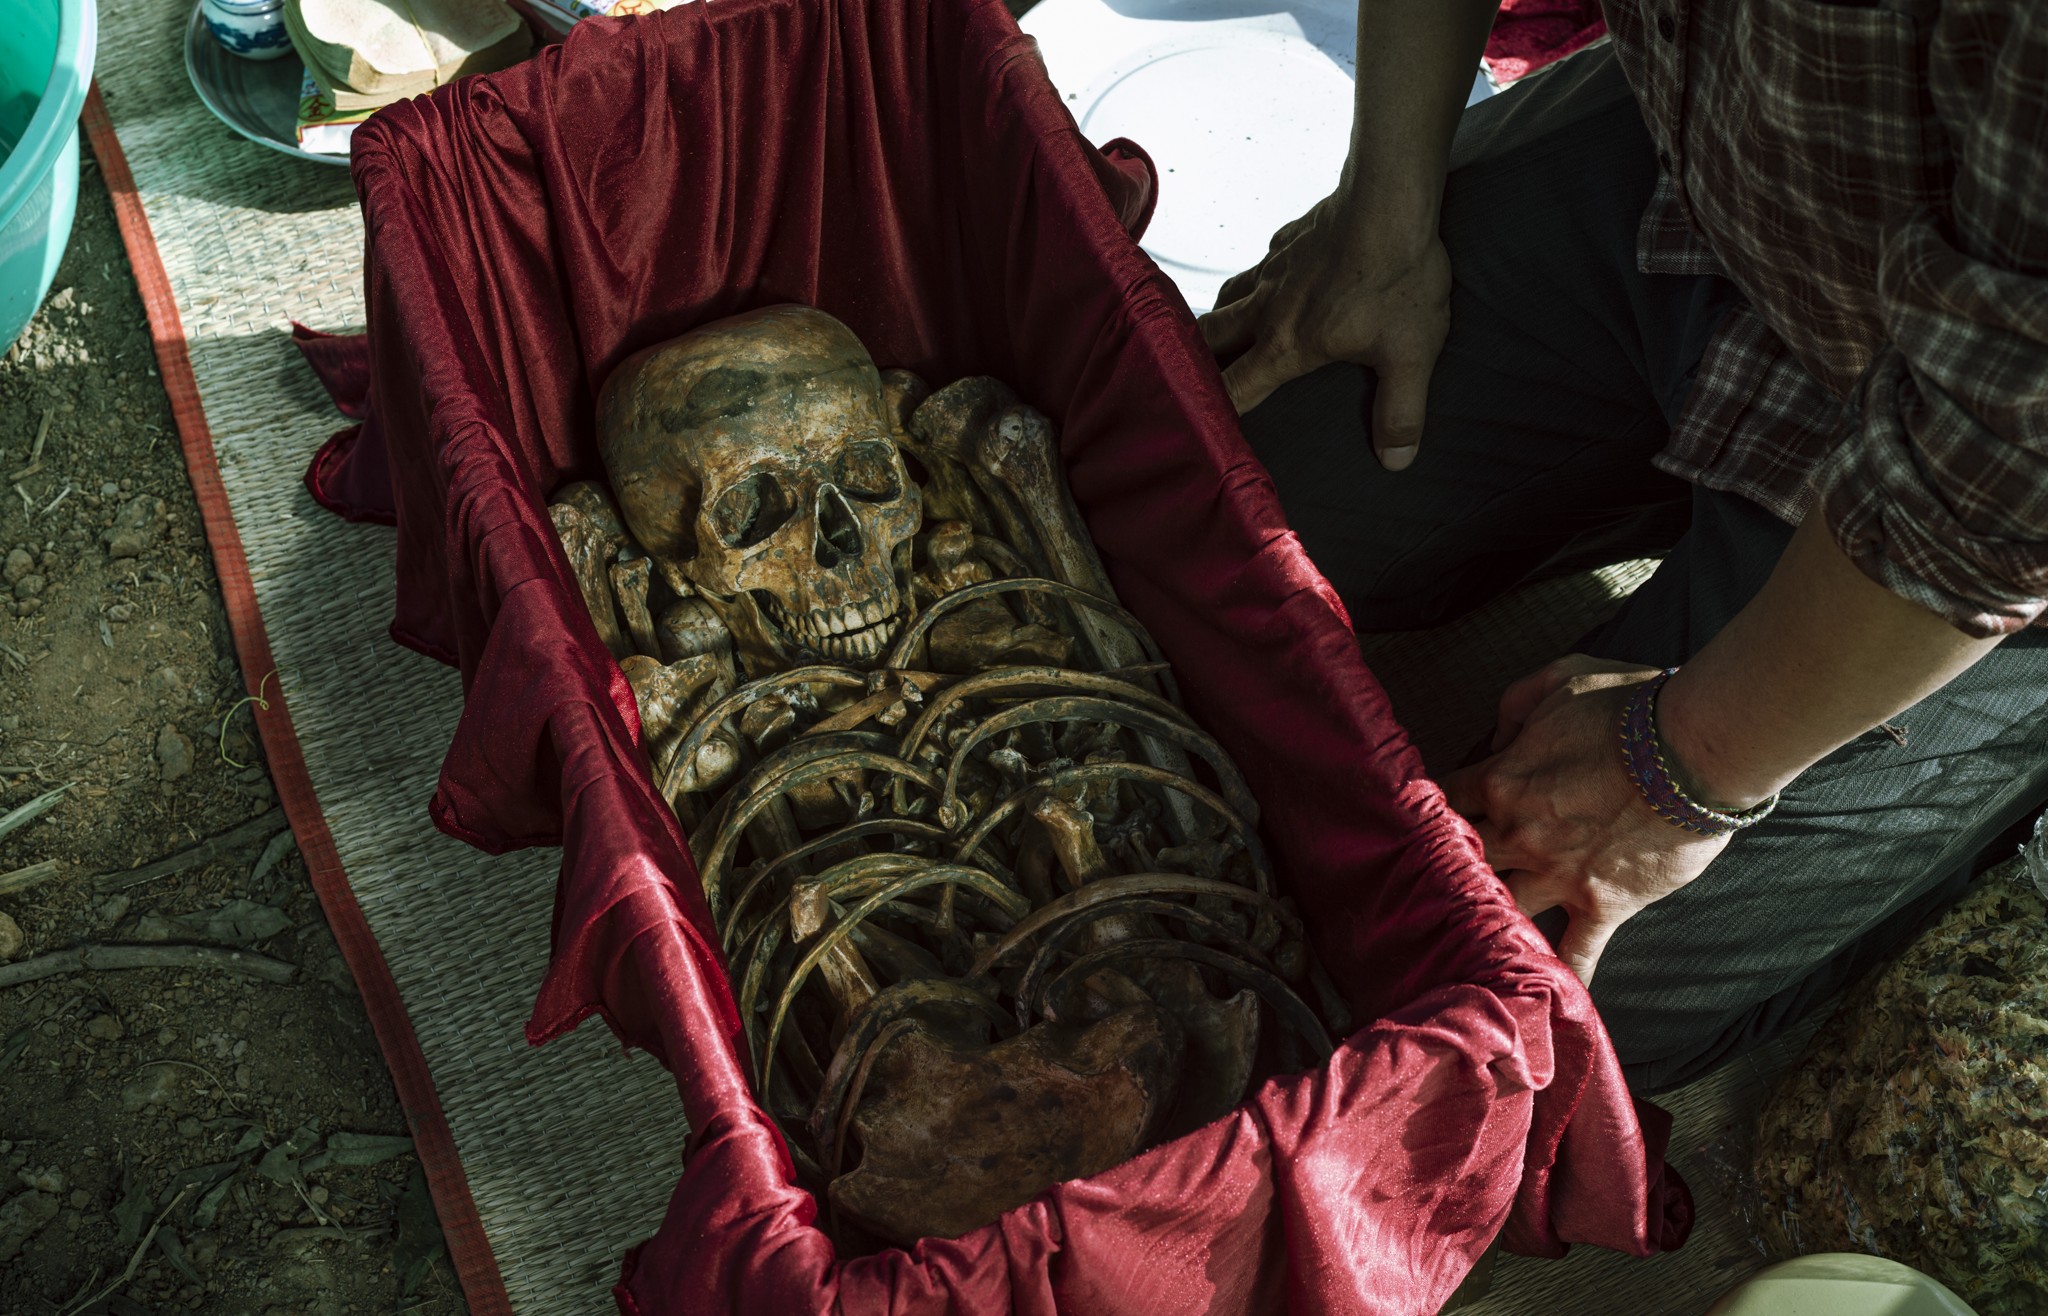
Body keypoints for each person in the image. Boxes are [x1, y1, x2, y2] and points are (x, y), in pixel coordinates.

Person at [1202, 1, 2048, 1093]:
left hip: (2001, 478)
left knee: (1517, 1003)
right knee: (1194, 532)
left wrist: (1686, 766)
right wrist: (1384, 213)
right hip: (1720, 155)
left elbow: (2001, 470)